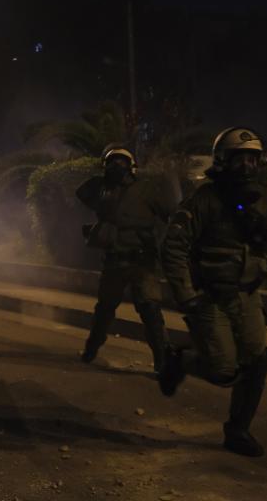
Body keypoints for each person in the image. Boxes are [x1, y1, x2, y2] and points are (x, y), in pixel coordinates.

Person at [158, 127, 267, 457]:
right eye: (239, 158)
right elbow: (173, 247)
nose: (246, 165)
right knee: (223, 370)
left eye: (252, 158)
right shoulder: (204, 200)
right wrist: (186, 295)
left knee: (256, 362)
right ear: (222, 160)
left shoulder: (265, 197)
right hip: (210, 297)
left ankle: (238, 430)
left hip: (247, 295)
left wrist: (264, 231)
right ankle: (182, 360)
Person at [76, 144, 178, 373]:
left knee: (150, 312)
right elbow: (82, 192)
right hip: (114, 260)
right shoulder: (103, 189)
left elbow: (169, 212)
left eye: (122, 162)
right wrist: (103, 179)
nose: (117, 166)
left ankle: (162, 361)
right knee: (104, 311)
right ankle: (91, 349)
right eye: (112, 162)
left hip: (142, 261)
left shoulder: (147, 189)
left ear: (132, 166)